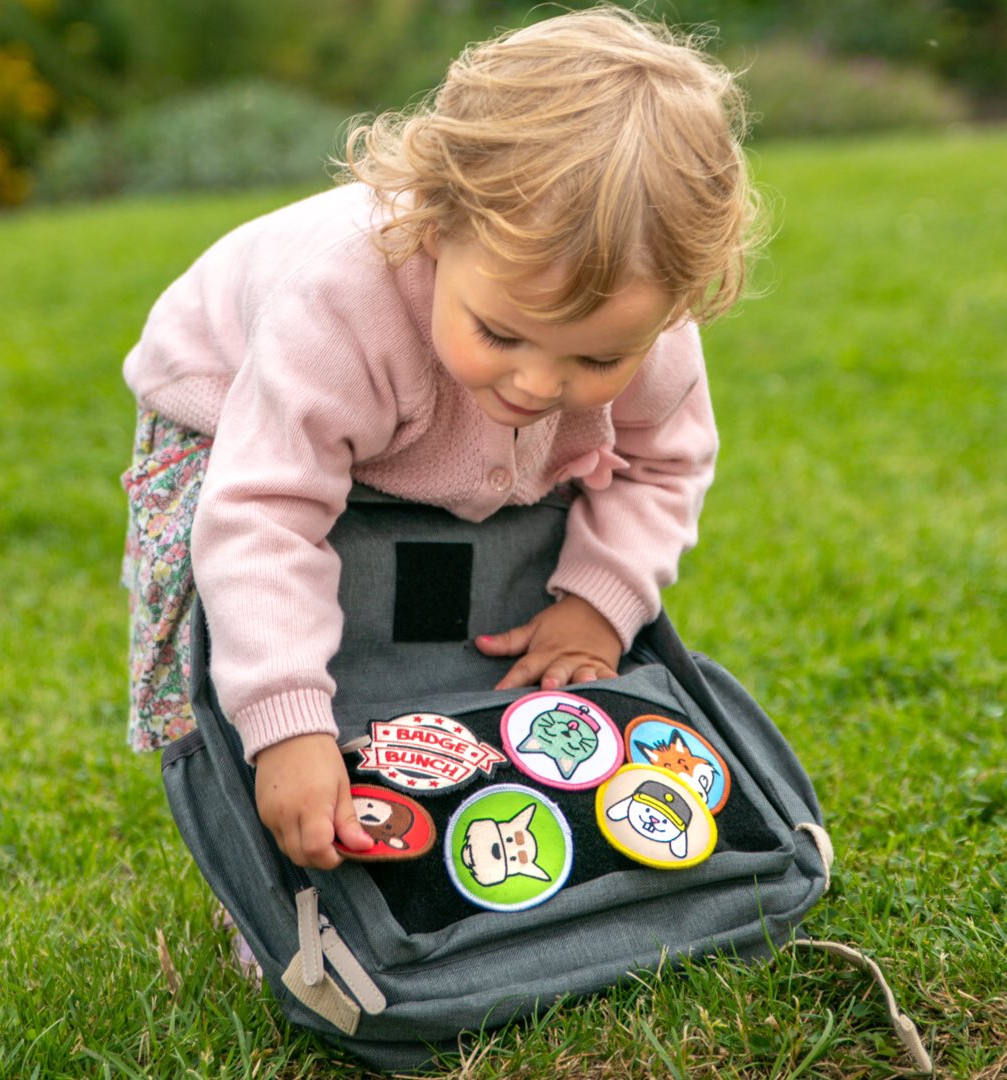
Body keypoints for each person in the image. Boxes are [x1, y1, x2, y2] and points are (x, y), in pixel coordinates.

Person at [121, 5, 759, 873]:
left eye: (598, 356)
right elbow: (264, 516)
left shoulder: (657, 339)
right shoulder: (341, 308)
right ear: (434, 222)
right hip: (230, 407)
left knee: (465, 618)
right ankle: (283, 861)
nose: (537, 385)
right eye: (501, 333)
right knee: (262, 626)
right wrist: (285, 725)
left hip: (407, 425)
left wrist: (597, 602)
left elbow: (665, 462)